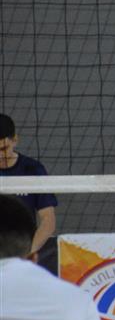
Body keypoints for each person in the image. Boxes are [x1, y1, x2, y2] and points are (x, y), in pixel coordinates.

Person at [0, 113, 58, 264]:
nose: (0, 155)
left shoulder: (32, 169)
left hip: (24, 248)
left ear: (15, 140)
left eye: (4, 148)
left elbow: (48, 220)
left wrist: (28, 253)